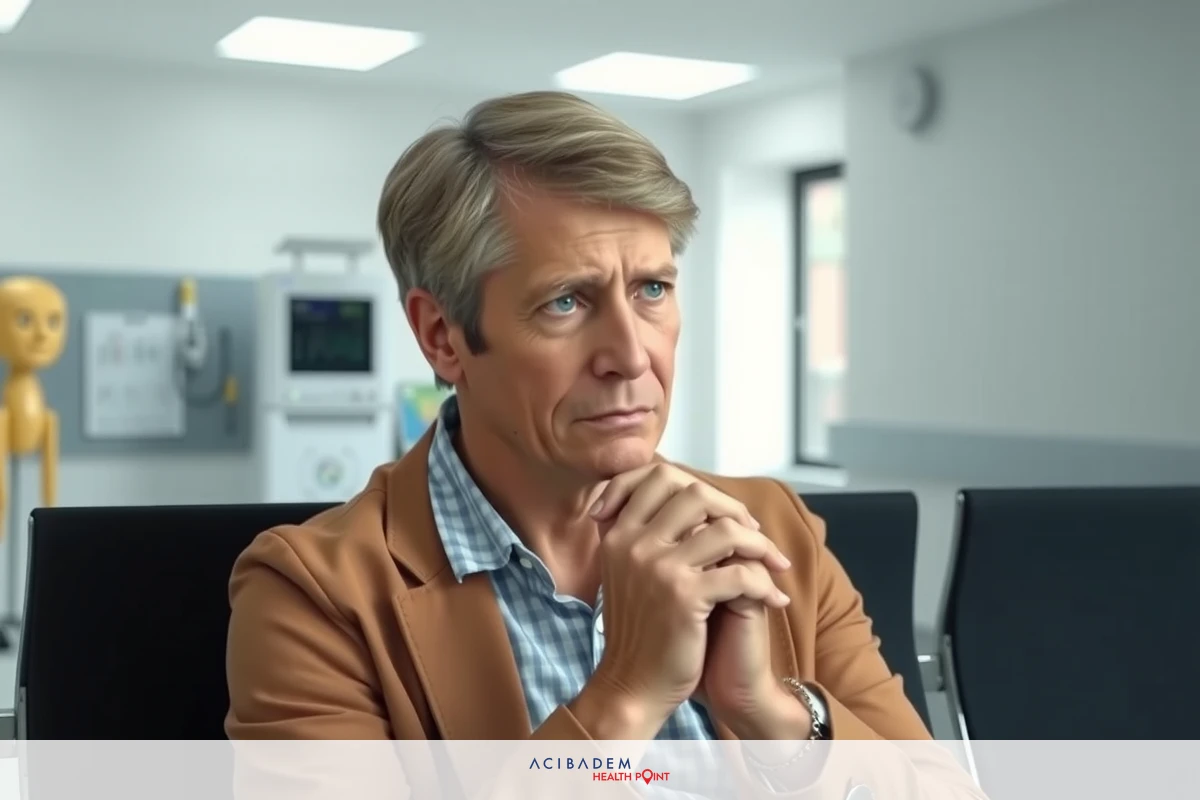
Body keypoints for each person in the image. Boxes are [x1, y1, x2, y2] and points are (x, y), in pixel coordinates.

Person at [225, 90, 983, 798]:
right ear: (442, 336)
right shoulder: (317, 595)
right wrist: (626, 694)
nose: (632, 353)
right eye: (566, 301)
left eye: (653, 289)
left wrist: (773, 714)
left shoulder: (770, 527)